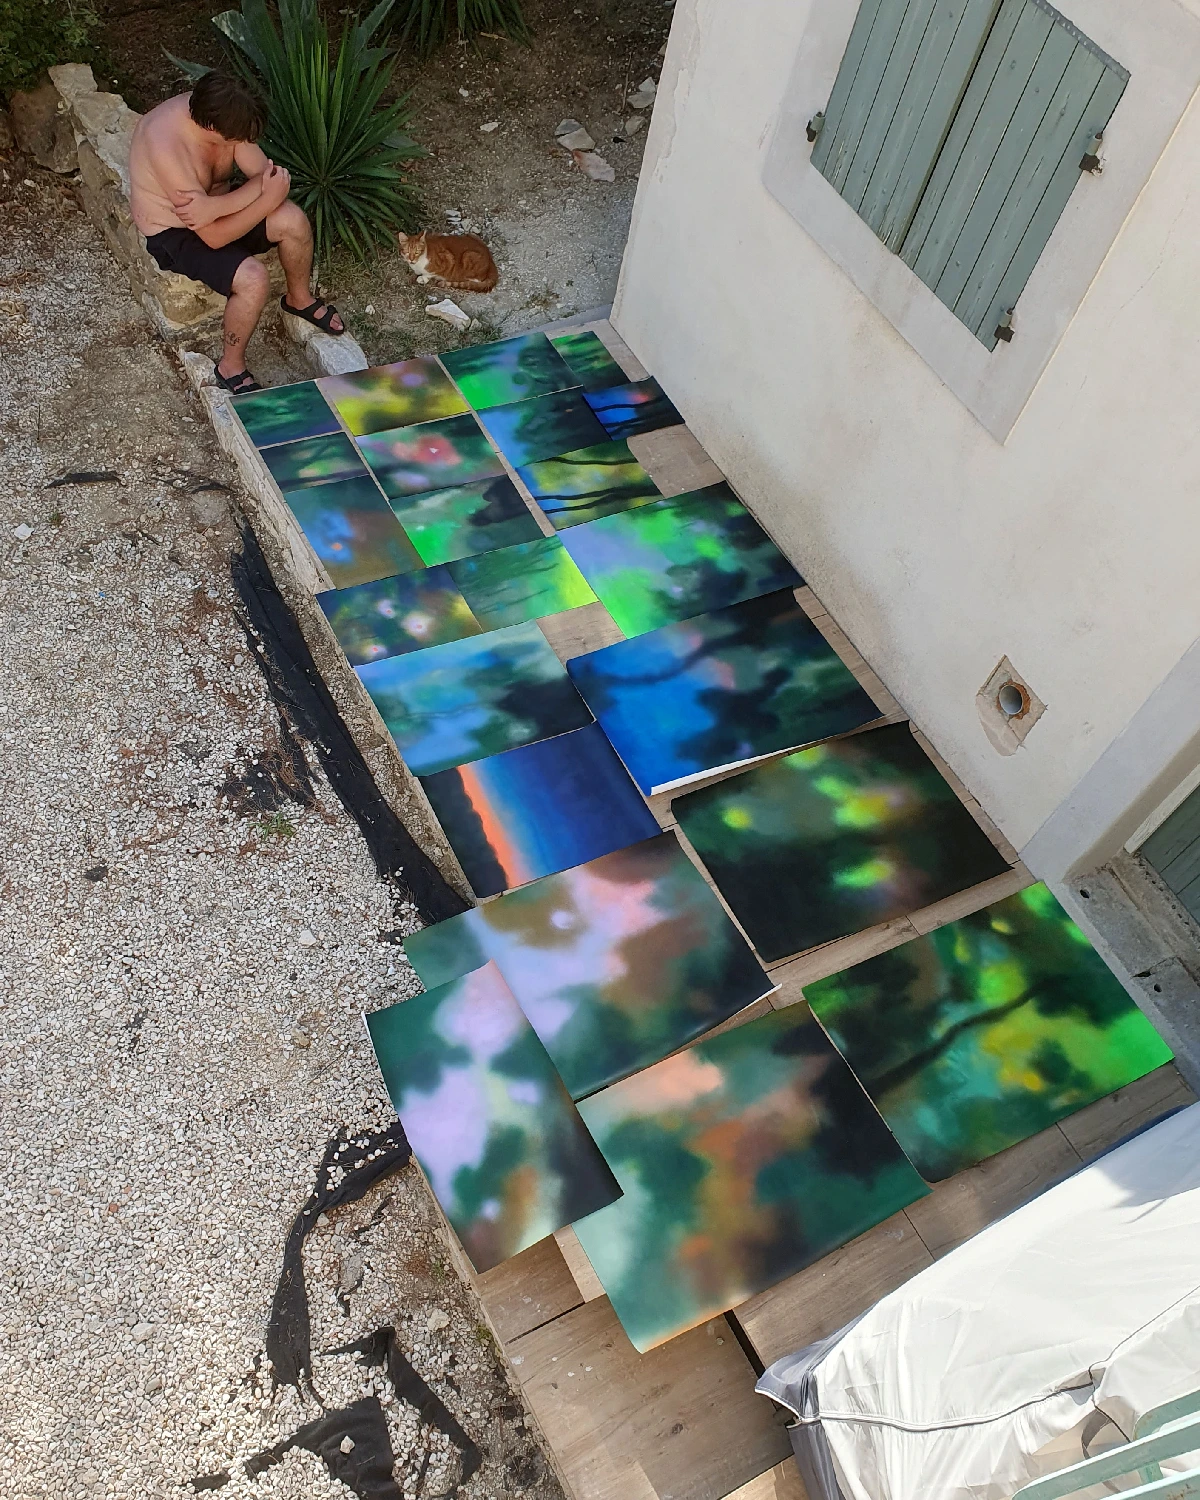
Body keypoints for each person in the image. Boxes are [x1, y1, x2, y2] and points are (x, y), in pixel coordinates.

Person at [129, 71, 344, 395]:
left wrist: (217, 206)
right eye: (236, 141)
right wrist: (265, 196)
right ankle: (230, 366)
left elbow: (266, 176)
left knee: (294, 220)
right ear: (213, 129)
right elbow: (214, 237)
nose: (243, 144)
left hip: (219, 212)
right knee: (253, 279)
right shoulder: (165, 143)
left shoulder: (229, 115)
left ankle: (299, 299)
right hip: (175, 233)